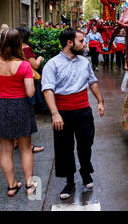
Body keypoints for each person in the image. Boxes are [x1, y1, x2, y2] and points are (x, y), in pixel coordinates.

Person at [41, 28, 105, 200]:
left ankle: (85, 172)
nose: (84, 44)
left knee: (85, 144)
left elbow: (92, 82)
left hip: (83, 110)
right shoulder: (52, 64)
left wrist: (99, 101)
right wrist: (54, 114)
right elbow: (47, 89)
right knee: (64, 148)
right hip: (62, 113)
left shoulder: (84, 62)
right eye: (81, 41)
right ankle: (69, 182)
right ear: (70, 43)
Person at [0, 29, 38, 196]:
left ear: (1, 43)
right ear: (19, 44)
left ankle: (12, 186)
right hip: (20, 107)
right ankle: (29, 185)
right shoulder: (24, 65)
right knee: (25, 149)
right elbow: (30, 93)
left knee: (5, 149)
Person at [16, 26, 45, 153]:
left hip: (14, 83)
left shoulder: (10, 48)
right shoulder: (25, 48)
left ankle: (16, 141)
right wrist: (39, 59)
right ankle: (27, 145)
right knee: (27, 112)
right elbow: (35, 65)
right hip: (27, 81)